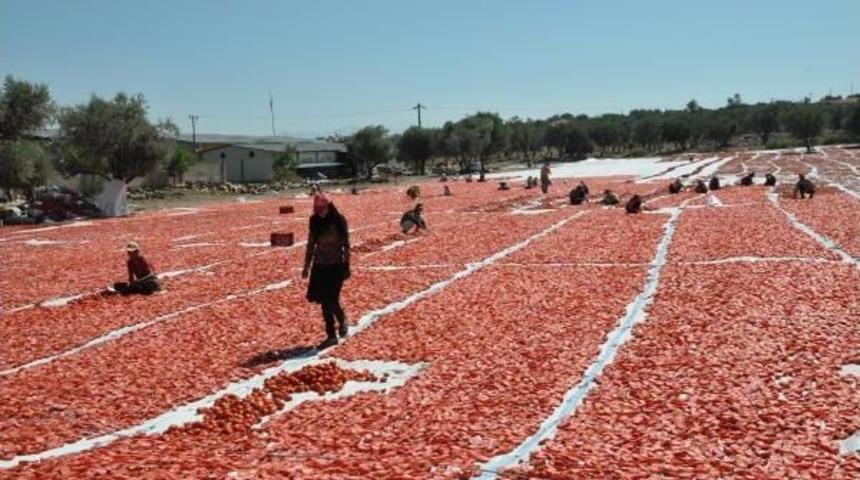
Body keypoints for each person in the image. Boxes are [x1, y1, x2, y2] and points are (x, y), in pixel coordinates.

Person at [303, 194, 351, 349]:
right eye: (317, 209)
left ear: (329, 207)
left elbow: (346, 245)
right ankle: (331, 335)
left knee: (331, 298)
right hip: (320, 265)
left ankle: (342, 320)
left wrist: (347, 265)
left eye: (322, 209)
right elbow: (311, 244)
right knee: (324, 302)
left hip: (336, 265)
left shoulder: (338, 220)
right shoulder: (314, 221)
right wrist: (306, 266)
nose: (319, 212)